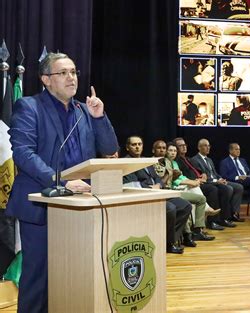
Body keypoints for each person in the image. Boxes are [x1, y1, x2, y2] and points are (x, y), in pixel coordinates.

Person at [5, 52, 119, 313]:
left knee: (75, 277)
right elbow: (23, 153)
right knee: (39, 279)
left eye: (74, 72)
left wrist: (99, 117)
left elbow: (110, 147)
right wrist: (60, 181)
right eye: (63, 73)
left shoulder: (84, 110)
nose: (71, 77)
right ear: (46, 79)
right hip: (42, 205)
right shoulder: (29, 107)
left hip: (81, 206)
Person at [121, 136, 196, 251]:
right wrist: (151, 187)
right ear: (127, 147)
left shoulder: (147, 161)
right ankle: (169, 244)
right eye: (134, 144)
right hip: (143, 196)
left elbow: (157, 177)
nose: (137, 147)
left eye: (139, 144)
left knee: (185, 205)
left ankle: (169, 239)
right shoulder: (126, 163)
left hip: (158, 192)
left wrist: (159, 185)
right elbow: (132, 184)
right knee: (170, 208)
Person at [173, 137, 225, 231]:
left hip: (197, 182)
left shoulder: (188, 159)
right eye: (180, 145)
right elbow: (182, 177)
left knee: (224, 188)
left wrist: (202, 175)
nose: (184, 147)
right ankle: (210, 221)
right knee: (212, 189)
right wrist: (196, 180)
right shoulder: (177, 161)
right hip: (189, 184)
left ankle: (221, 218)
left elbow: (197, 171)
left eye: (185, 145)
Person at [191, 138, 243, 227]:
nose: (208, 148)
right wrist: (216, 181)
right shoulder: (195, 160)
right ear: (199, 147)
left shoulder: (209, 160)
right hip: (207, 183)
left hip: (215, 181)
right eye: (205, 146)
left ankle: (224, 218)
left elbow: (215, 174)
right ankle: (213, 220)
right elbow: (201, 177)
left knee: (228, 188)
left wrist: (221, 179)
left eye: (208, 146)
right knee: (220, 189)